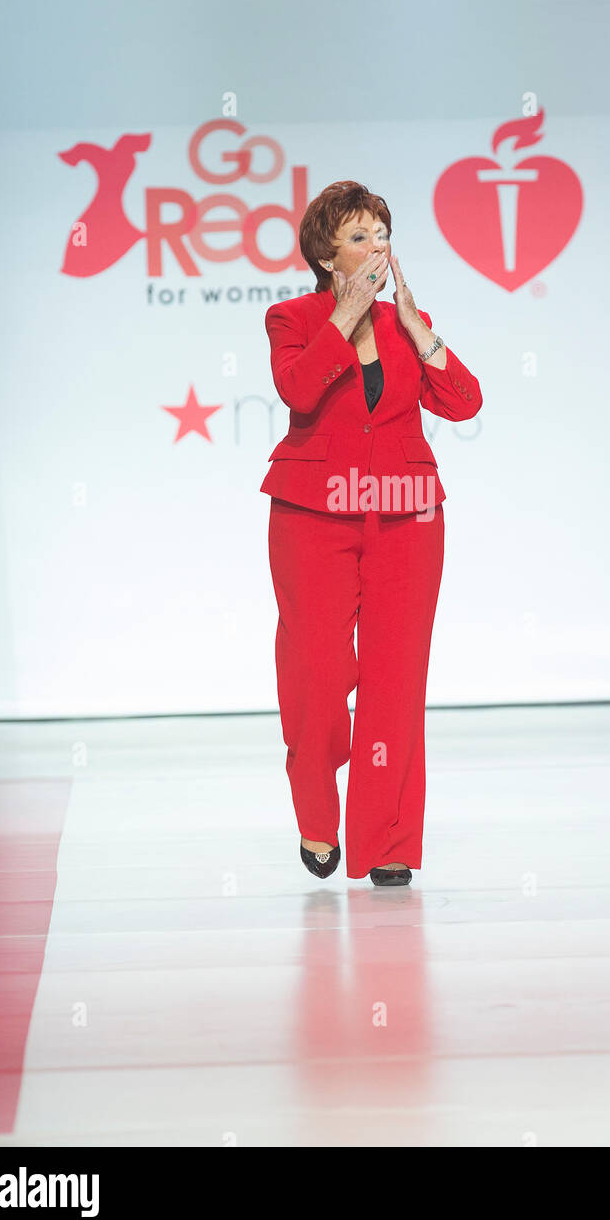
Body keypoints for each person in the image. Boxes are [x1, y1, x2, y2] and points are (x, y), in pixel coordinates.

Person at [261, 181, 482, 885]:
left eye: (382, 234)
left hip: (408, 515)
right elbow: (298, 390)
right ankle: (318, 820)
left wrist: (424, 334)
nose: (376, 247)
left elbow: (465, 401)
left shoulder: (406, 322)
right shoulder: (291, 317)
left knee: (397, 681)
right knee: (318, 678)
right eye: (360, 236)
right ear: (328, 254)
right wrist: (343, 320)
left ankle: (389, 843)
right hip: (312, 516)